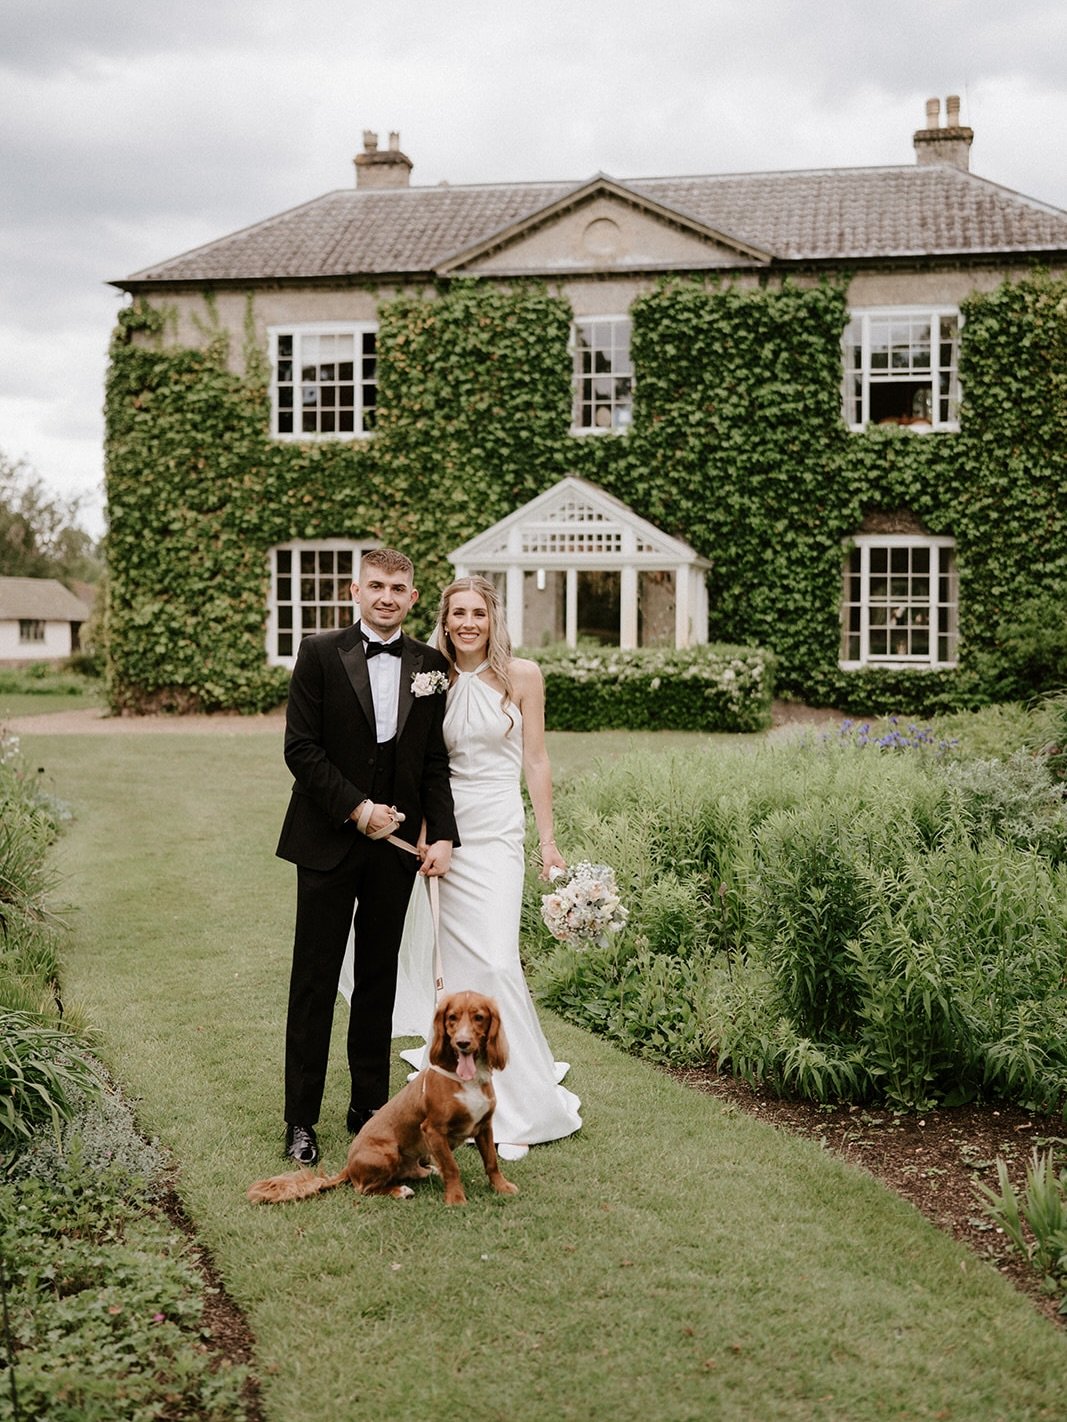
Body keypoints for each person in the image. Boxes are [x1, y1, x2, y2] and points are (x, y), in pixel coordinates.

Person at [275, 548, 457, 1167]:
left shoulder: (431, 666)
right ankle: (300, 1120)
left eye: (397, 587)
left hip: (397, 851)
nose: (386, 596)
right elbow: (301, 749)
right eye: (375, 585)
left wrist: (444, 835)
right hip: (327, 840)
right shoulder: (320, 653)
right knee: (314, 982)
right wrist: (359, 810)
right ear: (355, 590)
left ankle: (369, 1108)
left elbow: (434, 761)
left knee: (378, 981)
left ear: (411, 596)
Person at [390, 574, 581, 1160]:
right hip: (447, 830)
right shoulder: (430, 676)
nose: (468, 623)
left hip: (497, 829)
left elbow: (537, 759)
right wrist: (421, 830)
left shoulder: (523, 676)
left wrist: (547, 841)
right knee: (460, 966)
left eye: (478, 613)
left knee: (497, 960)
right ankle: (456, 1083)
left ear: (493, 620)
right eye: (458, 614)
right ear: (444, 620)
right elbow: (419, 761)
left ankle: (516, 1100)